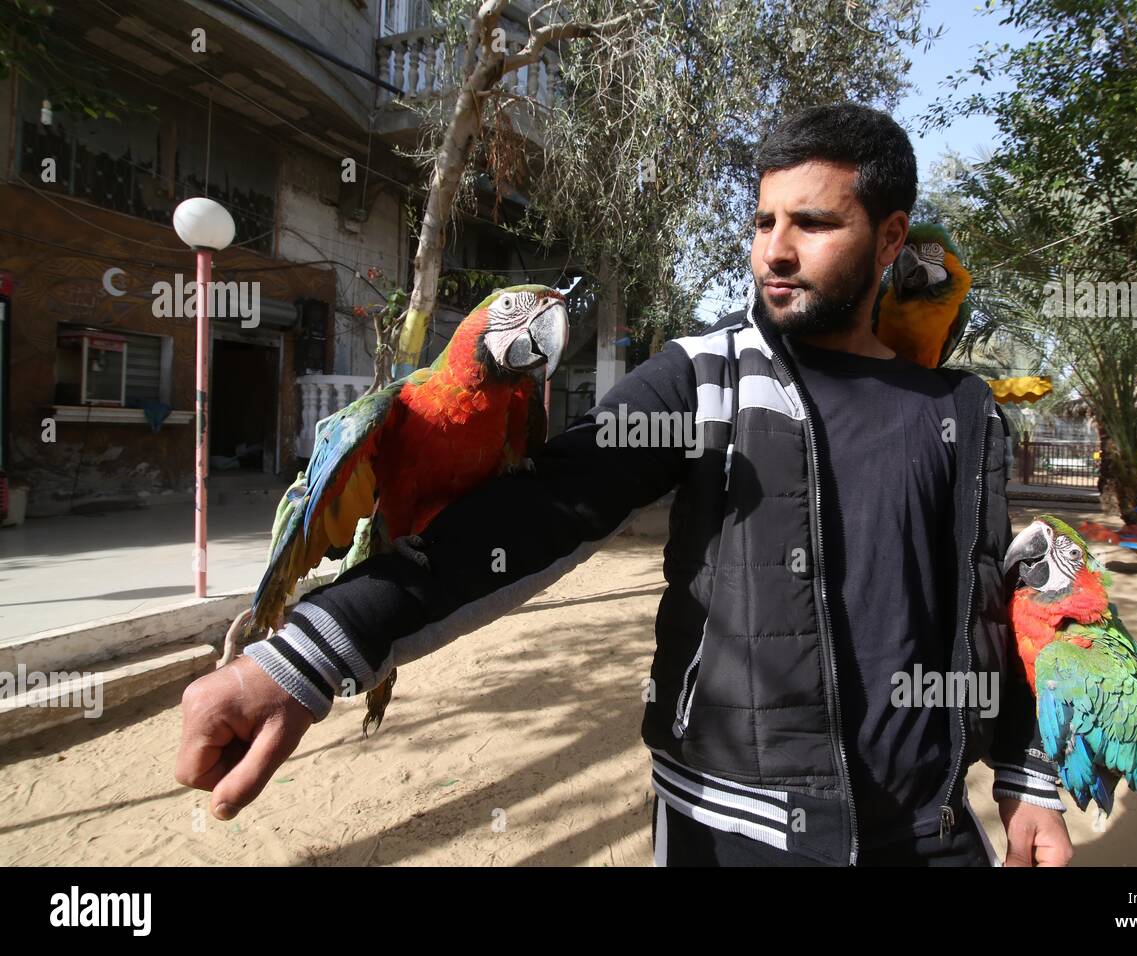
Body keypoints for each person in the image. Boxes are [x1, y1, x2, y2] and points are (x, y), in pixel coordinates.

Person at [175, 103, 1073, 867]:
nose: (776, 252)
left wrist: (1029, 780)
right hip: (733, 831)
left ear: (890, 238)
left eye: (814, 224)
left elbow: (990, 608)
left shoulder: (959, 409)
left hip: (931, 834)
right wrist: (308, 653)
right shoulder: (704, 377)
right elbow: (539, 510)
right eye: (763, 224)